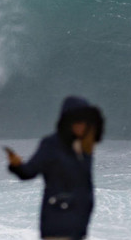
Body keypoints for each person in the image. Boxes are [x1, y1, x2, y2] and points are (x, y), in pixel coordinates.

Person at [6, 96, 105, 240]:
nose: (82, 125)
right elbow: (29, 171)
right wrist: (17, 165)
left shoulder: (84, 149)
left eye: (85, 121)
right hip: (58, 225)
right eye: (77, 121)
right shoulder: (51, 145)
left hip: (78, 227)